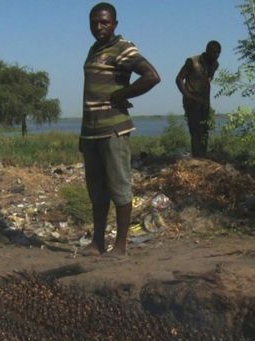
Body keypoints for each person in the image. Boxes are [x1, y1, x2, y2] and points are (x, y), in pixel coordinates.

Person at [80, 3, 160, 257]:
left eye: (104, 22)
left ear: (115, 24)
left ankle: (121, 245)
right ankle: (97, 243)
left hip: (113, 129)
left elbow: (151, 76)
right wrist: (82, 135)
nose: (99, 26)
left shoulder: (122, 48)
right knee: (97, 191)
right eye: (94, 22)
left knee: (119, 188)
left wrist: (121, 95)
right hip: (91, 132)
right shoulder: (95, 49)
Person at [175, 40, 221, 158]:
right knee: (195, 129)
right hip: (191, 100)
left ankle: (202, 155)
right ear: (207, 51)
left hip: (204, 101)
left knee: (205, 128)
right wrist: (187, 95)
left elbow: (207, 80)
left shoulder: (215, 64)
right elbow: (179, 79)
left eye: (218, 53)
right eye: (214, 52)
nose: (216, 55)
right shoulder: (192, 62)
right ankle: (197, 156)